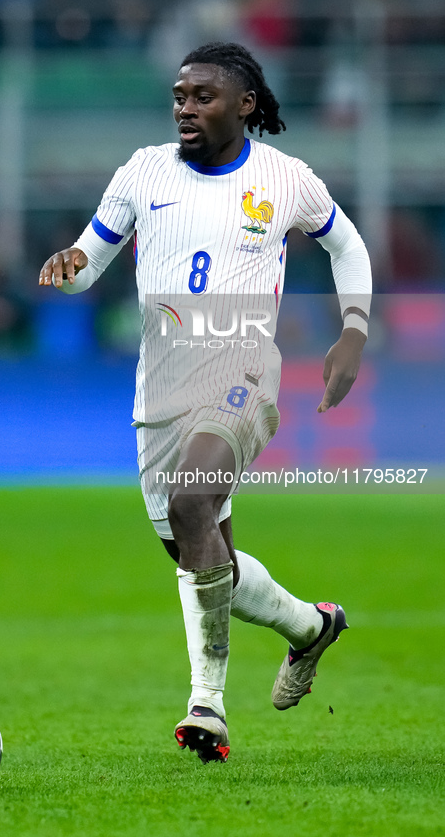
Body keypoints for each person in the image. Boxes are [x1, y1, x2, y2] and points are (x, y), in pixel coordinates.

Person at [39, 42, 371, 764]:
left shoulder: (285, 180)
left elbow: (346, 246)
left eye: (202, 96)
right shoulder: (142, 170)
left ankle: (206, 702)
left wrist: (353, 329)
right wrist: (67, 269)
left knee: (193, 500)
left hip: (244, 364)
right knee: (197, 553)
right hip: (160, 383)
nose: (185, 108)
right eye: (179, 96)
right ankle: (311, 628)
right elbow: (86, 259)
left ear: (244, 104)